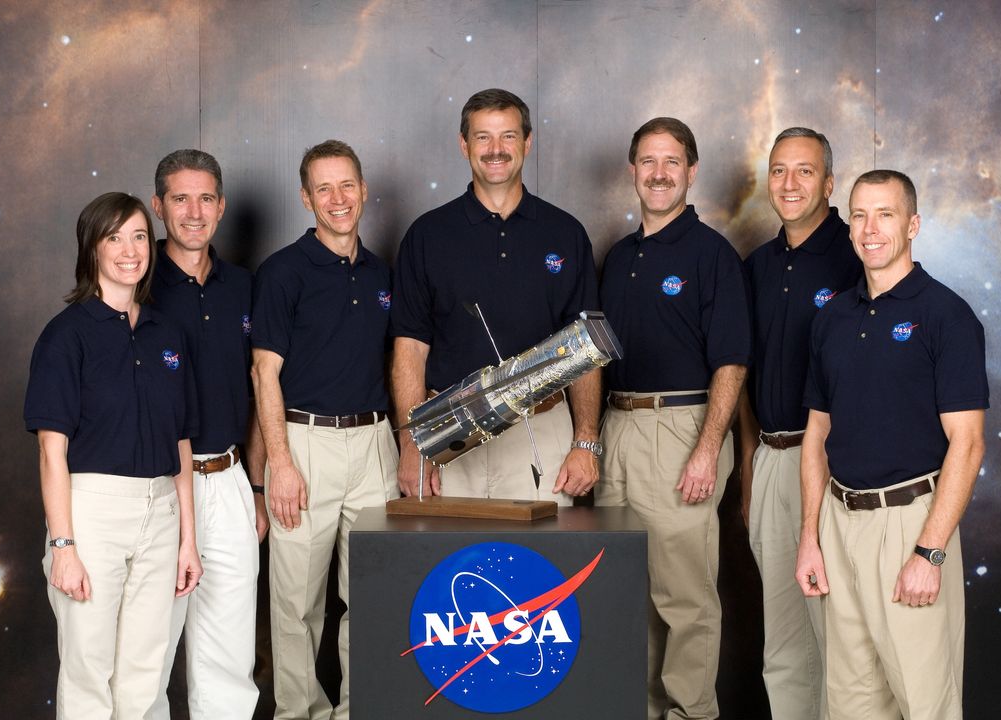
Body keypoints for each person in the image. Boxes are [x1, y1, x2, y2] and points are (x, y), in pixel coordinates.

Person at [796, 170, 988, 720]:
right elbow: (816, 435)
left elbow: (968, 444)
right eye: (859, 214)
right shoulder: (832, 317)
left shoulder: (945, 315)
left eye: (886, 214)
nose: (870, 228)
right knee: (852, 702)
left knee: (924, 701)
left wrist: (929, 552)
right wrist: (810, 537)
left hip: (911, 523)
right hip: (839, 520)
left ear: (913, 225)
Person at [24, 192, 203, 719]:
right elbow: (50, 450)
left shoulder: (166, 333)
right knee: (88, 667)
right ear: (93, 249)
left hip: (161, 510)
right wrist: (63, 546)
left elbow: (182, 445)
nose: (130, 250)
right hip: (92, 513)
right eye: (115, 237)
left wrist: (187, 540)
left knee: (147, 672)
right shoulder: (66, 336)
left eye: (140, 236)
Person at [597, 117, 751, 720]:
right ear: (632, 172)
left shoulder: (711, 255)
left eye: (672, 162)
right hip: (617, 427)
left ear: (690, 171)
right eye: (648, 162)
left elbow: (732, 363)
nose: (659, 174)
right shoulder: (617, 256)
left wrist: (709, 448)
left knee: (685, 597)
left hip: (682, 427)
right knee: (625, 590)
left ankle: (691, 712)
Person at [391, 88, 601, 502]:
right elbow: (410, 349)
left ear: (527, 142)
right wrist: (413, 444)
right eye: (483, 137)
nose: (496, 150)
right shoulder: (427, 235)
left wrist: (585, 441)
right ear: (463, 144)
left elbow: (585, 350)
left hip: (542, 430)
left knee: (538, 565)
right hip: (449, 432)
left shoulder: (566, 233)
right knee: (455, 565)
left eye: (507, 136)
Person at [251, 140, 399, 720]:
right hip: (303, 442)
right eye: (323, 189)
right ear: (305, 198)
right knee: (296, 603)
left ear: (363, 191)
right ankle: (300, 712)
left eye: (347, 186)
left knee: (370, 593)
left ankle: (357, 709)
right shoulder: (284, 272)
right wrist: (279, 465)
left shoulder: (383, 272)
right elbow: (265, 373)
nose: (337, 200)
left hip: (373, 444)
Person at [737, 127, 861, 719]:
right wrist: (747, 474)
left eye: (805, 171)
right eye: (780, 171)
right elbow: (739, 376)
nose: (790, 184)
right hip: (771, 458)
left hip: (838, 472)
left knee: (843, 638)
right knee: (784, 642)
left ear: (830, 183)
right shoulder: (756, 266)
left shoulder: (858, 257)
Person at [146, 149, 266, 720]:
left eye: (205, 199)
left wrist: (259, 490)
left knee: (229, 655)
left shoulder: (244, 286)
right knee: (147, 651)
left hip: (228, 478)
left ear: (220, 207)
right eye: (180, 199)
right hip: (156, 488)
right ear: (158, 206)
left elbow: (264, 387)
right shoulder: (135, 285)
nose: (193, 212)